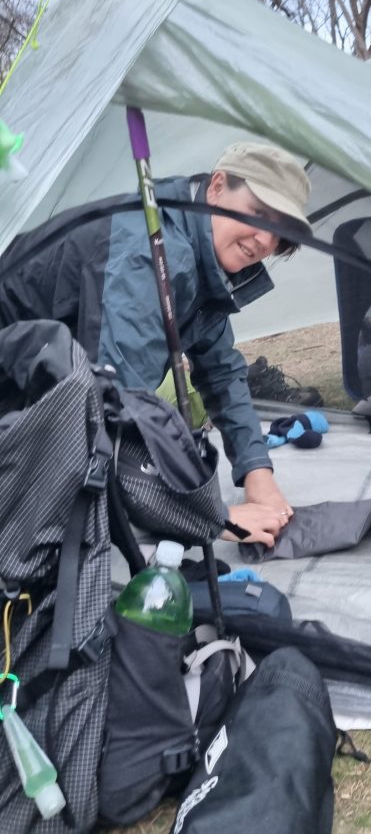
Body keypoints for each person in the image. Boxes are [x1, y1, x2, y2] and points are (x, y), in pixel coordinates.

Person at [0, 141, 312, 545]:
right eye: (257, 214)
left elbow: (221, 368)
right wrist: (216, 520)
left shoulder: (199, 247)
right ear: (217, 187)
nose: (265, 241)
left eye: (279, 231)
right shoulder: (152, 253)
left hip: (33, 386)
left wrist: (257, 472)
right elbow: (112, 407)